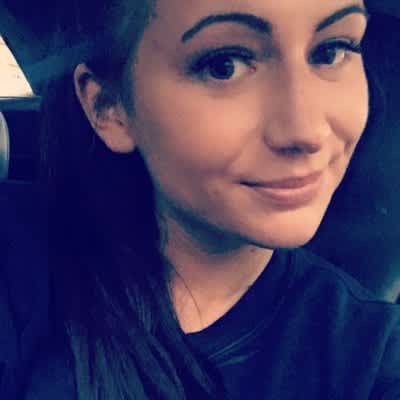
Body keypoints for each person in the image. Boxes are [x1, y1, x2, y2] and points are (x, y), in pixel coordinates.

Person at [1, 0, 399, 399]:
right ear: (108, 107)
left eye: (331, 51)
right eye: (224, 66)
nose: (307, 132)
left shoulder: (372, 357)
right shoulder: (15, 255)